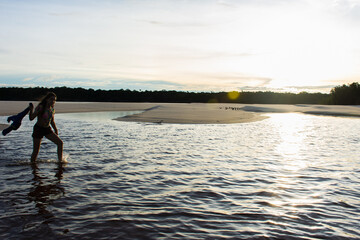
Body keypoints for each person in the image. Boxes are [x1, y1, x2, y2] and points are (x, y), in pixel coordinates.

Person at [29, 92, 64, 162]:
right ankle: (32, 165)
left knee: (60, 143)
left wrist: (55, 129)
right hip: (38, 129)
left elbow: (52, 121)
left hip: (47, 129)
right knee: (36, 151)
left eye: (54, 100)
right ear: (47, 99)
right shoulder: (41, 107)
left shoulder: (52, 109)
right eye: (51, 99)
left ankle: (60, 161)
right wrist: (31, 110)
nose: (53, 101)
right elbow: (31, 118)